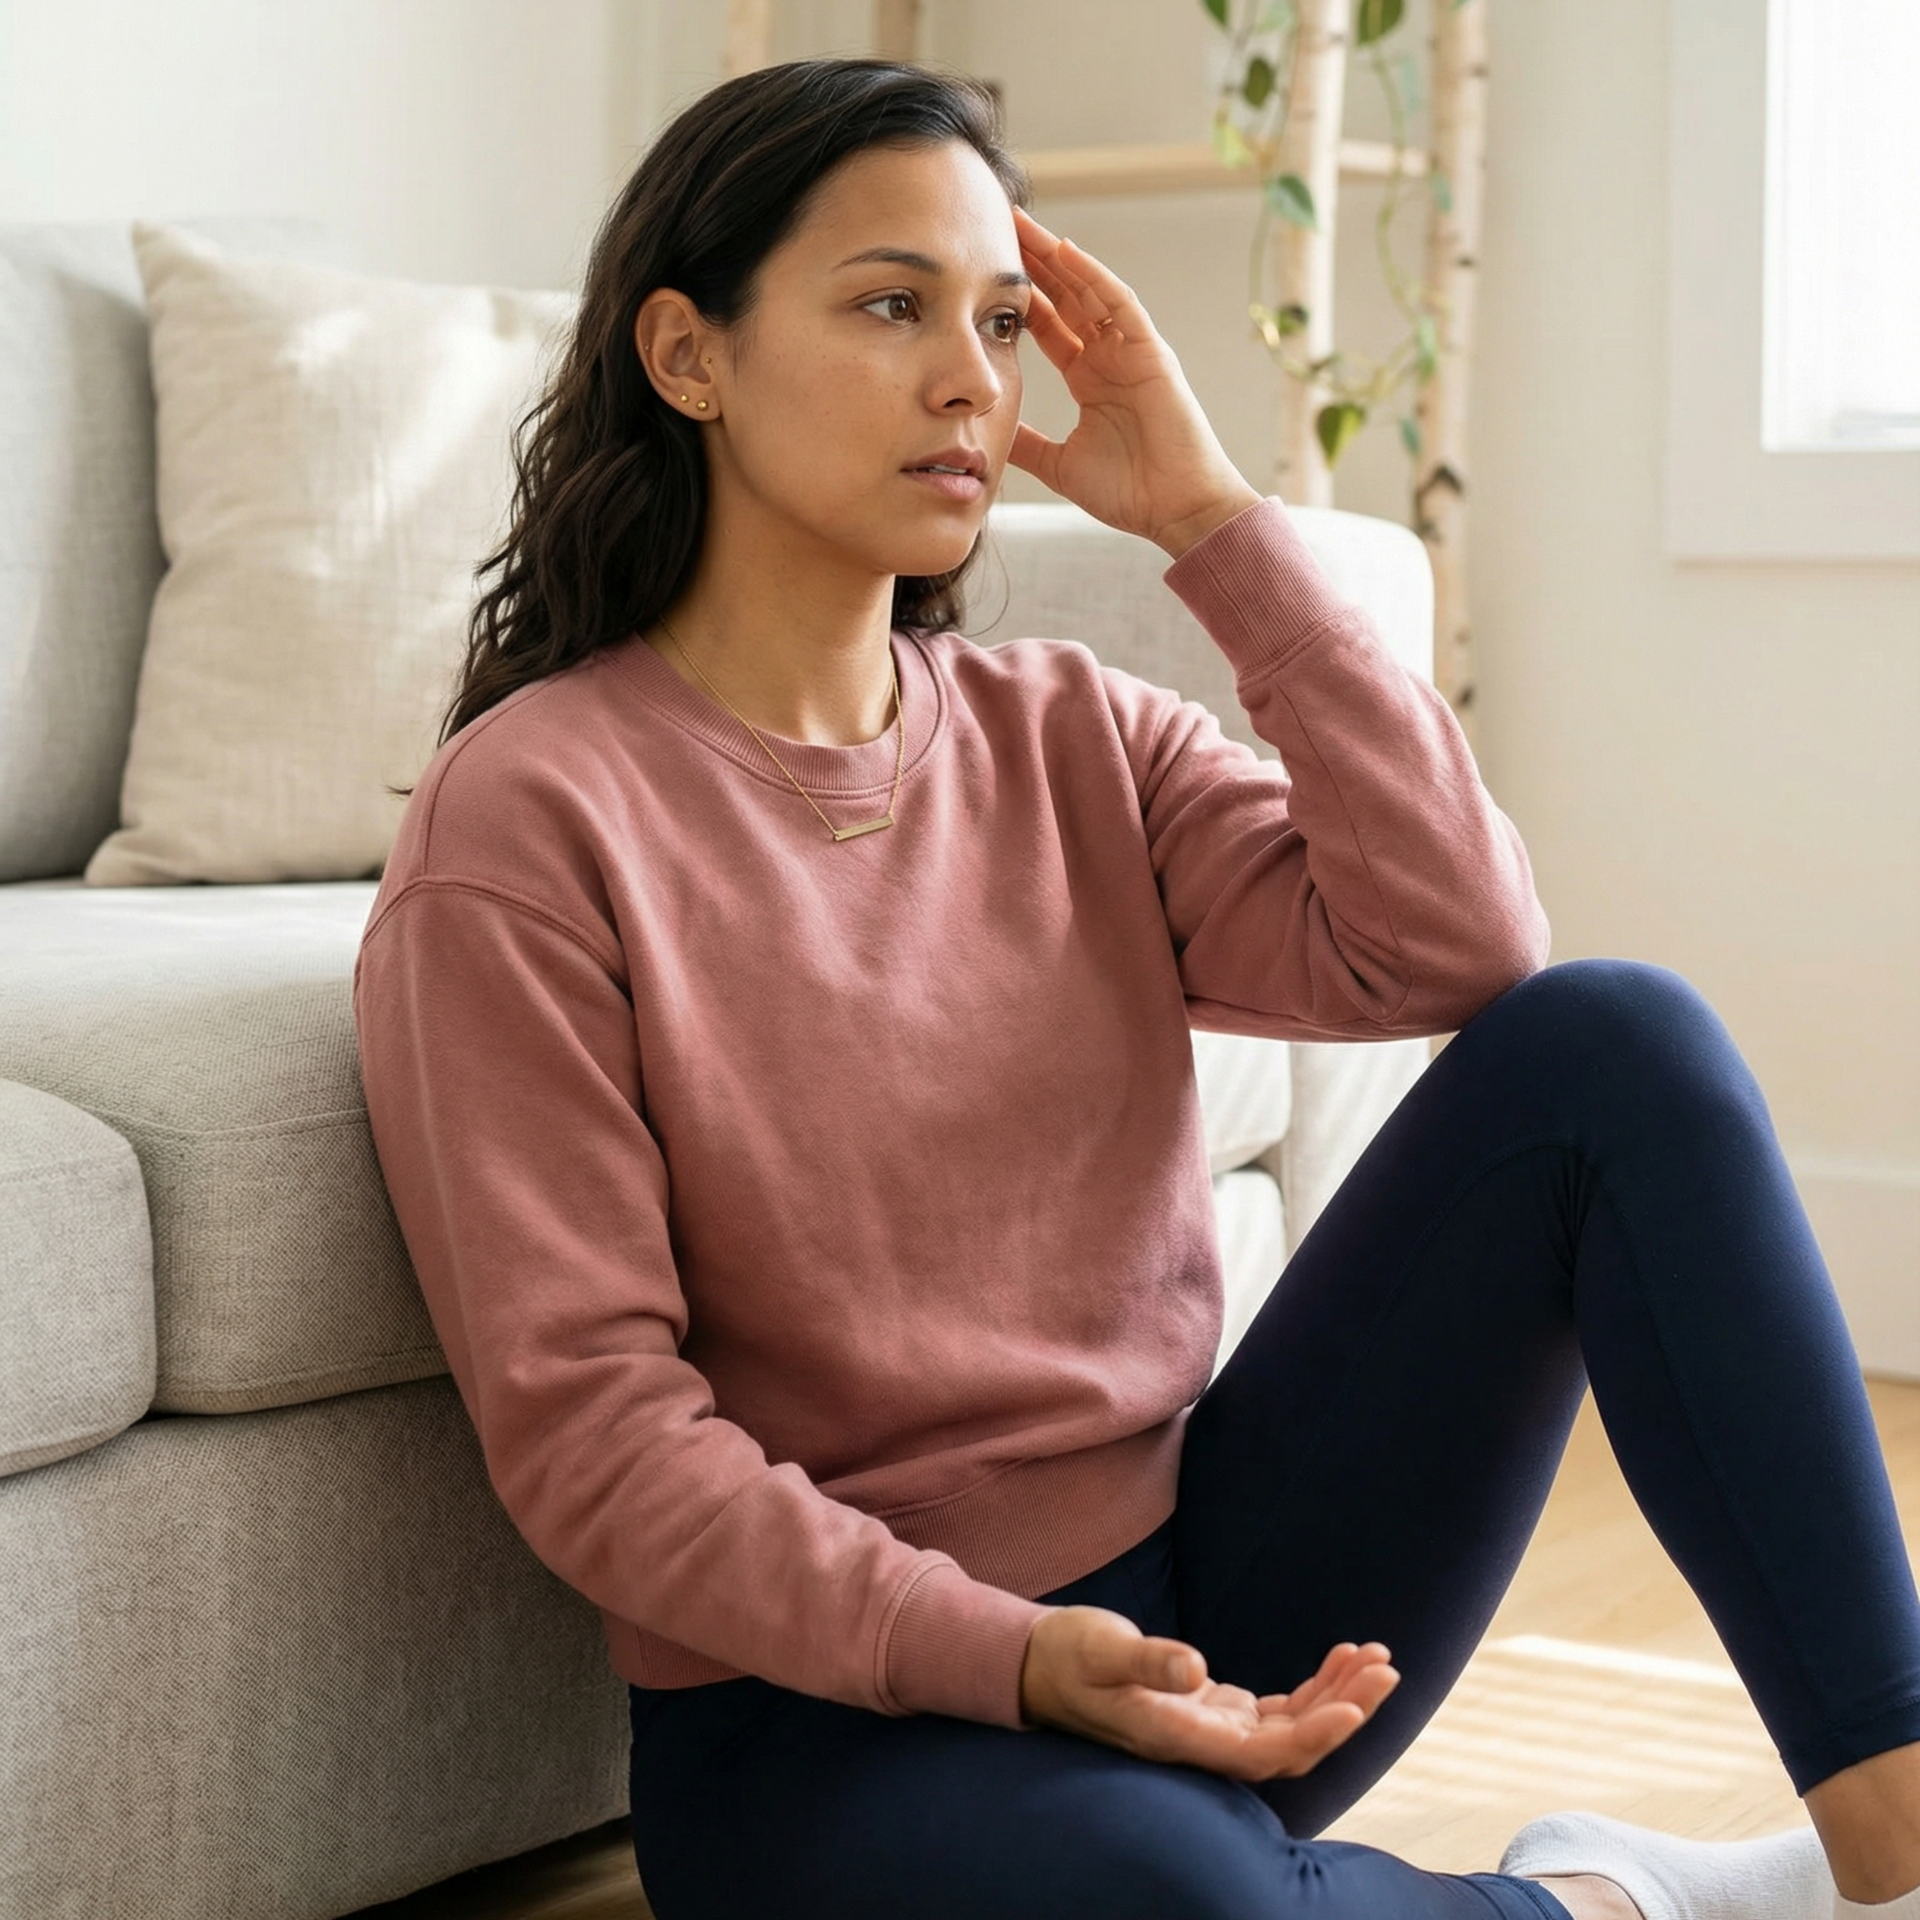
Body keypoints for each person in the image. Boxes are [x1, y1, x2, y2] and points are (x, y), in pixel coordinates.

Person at [351, 55, 1920, 1920]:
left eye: (1002, 320)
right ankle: (1614, 1902)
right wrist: (1010, 1659)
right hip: (829, 1736)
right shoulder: (531, 825)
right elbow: (596, 1440)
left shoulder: (1070, 734)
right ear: (687, 355)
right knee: (1205, 1913)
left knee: (1619, 1044)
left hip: (1207, 1602)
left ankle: (1896, 1842)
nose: (971, 378)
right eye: (888, 305)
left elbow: (1458, 946)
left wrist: (1209, 519)